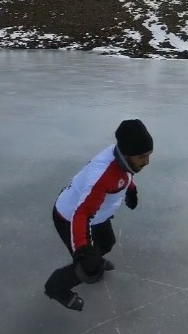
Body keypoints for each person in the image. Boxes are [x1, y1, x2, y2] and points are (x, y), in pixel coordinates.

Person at [43, 119, 153, 311]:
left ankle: (95, 260)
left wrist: (131, 190)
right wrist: (83, 251)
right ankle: (56, 286)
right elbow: (81, 213)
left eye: (148, 155)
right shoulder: (102, 176)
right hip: (69, 218)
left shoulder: (123, 158)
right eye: (142, 157)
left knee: (107, 243)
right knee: (88, 266)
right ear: (127, 155)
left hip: (97, 215)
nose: (147, 162)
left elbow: (126, 176)